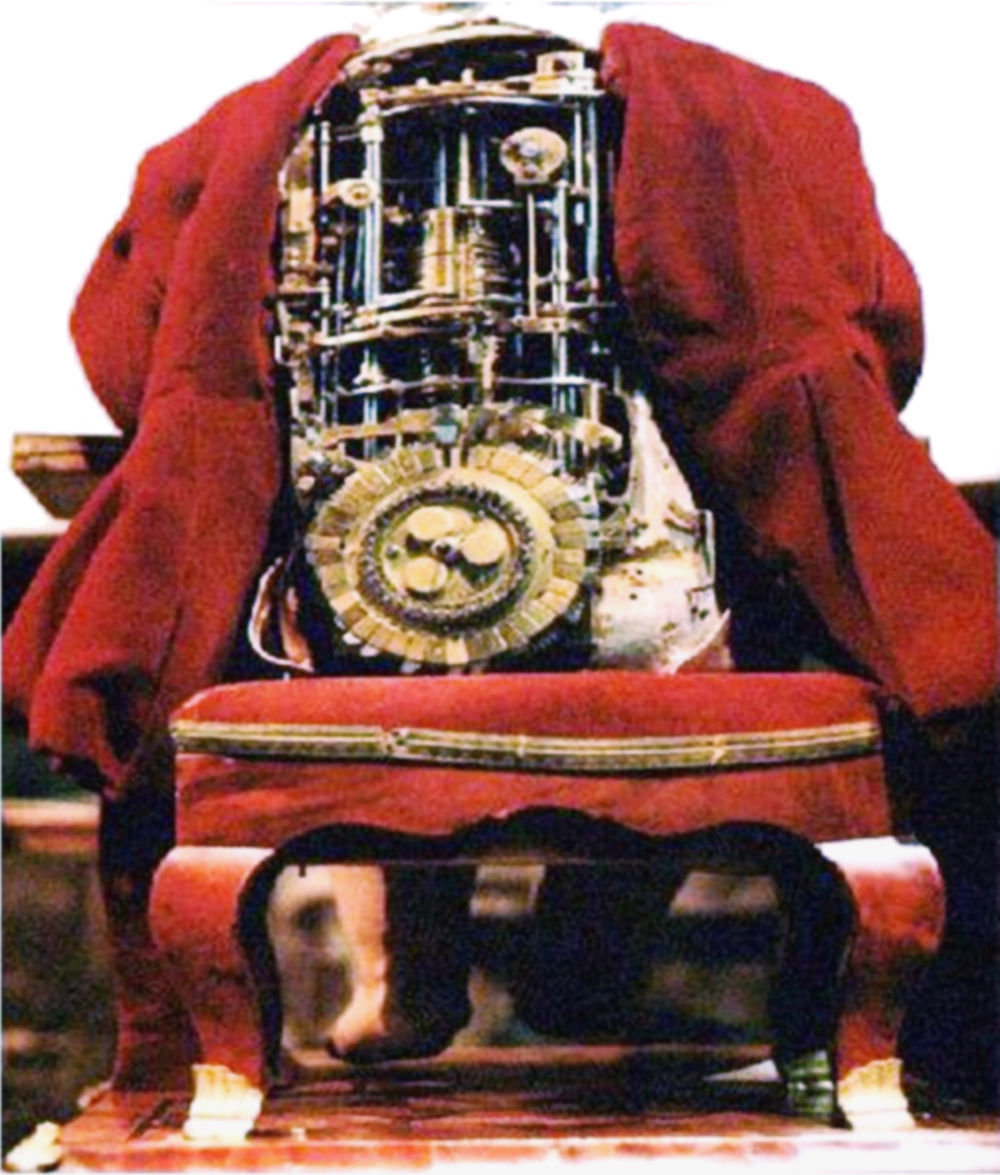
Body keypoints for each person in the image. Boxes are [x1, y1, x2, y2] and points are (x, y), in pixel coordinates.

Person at [4, 16, 996, 1109]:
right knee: (728, 578)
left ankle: (409, 959)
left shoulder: (223, 144)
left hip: (346, 643)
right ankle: (596, 945)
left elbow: (133, 363)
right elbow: (871, 335)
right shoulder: (759, 111)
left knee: (344, 610)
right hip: (662, 636)